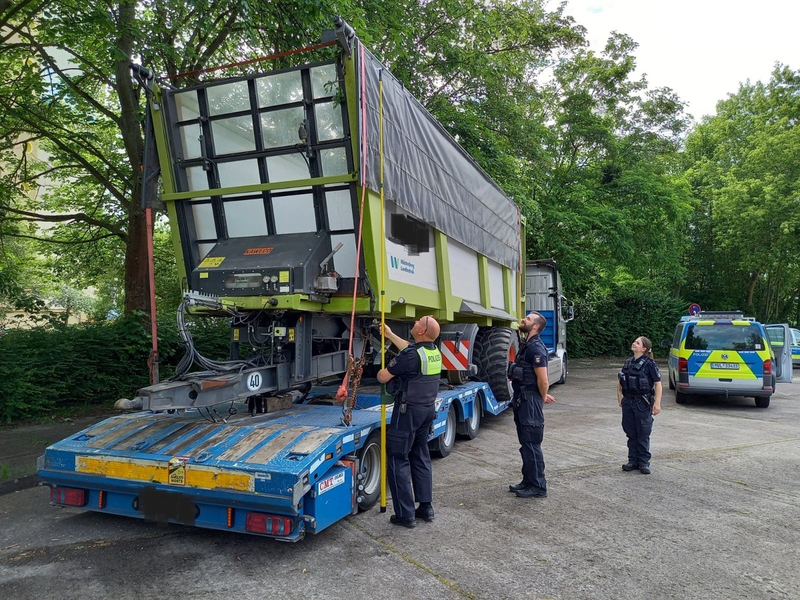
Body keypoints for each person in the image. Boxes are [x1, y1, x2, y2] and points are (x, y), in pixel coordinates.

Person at [377, 315, 442, 528]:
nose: (414, 322)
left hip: (408, 412)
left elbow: (383, 377)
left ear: (421, 331)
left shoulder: (411, 356)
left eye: (418, 322)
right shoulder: (433, 352)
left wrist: (380, 371)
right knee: (420, 455)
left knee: (397, 458)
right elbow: (410, 349)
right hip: (427, 411)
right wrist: (389, 334)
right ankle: (425, 507)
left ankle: (405, 515)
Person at [507, 311, 556, 498]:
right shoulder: (526, 346)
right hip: (522, 399)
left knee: (532, 443)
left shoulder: (536, 348)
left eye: (528, 319)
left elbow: (543, 380)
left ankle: (538, 486)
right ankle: (528, 480)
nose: (523, 320)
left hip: (530, 400)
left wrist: (541, 396)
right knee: (525, 443)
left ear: (535, 326)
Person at [617, 336, 662, 474]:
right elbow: (621, 380)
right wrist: (620, 397)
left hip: (642, 402)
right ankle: (632, 461)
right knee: (630, 432)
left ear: (644, 348)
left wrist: (658, 404)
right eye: (634, 341)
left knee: (643, 433)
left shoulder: (649, 364)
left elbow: (658, 384)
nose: (634, 344)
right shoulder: (629, 362)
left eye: (637, 343)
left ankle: (643, 463)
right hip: (628, 402)